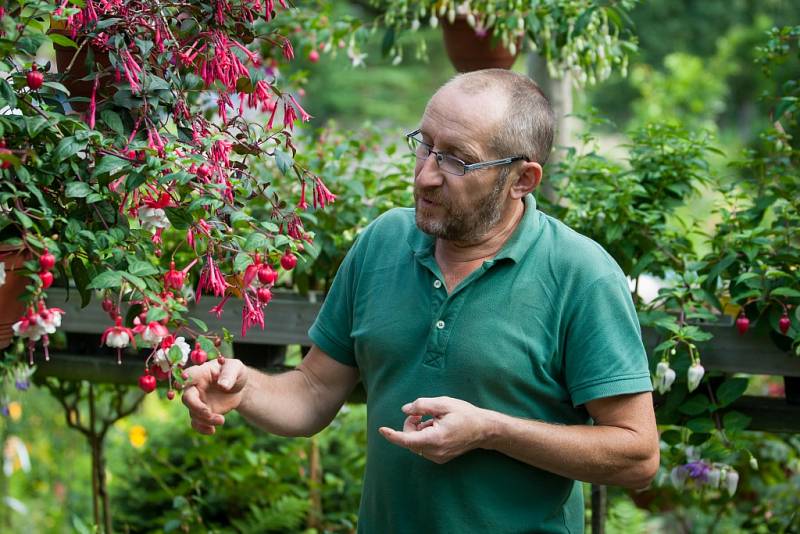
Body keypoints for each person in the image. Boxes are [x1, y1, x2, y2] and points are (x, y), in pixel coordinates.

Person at [182, 68, 659, 533]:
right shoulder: (383, 242)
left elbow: (637, 455)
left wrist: (492, 430)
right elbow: (313, 391)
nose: (426, 175)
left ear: (522, 180)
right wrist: (246, 389)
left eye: (456, 159)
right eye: (425, 145)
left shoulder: (580, 274)